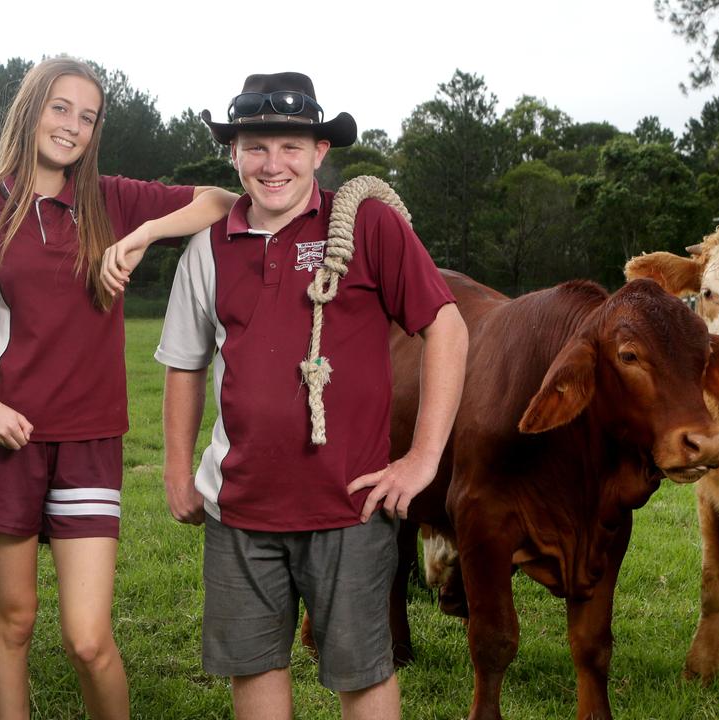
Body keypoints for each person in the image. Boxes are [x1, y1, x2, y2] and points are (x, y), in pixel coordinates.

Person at [0, 56, 237, 720]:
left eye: (87, 117)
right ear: (31, 108)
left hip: (91, 442)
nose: (71, 126)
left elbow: (222, 203)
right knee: (12, 622)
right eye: (60, 108)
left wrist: (145, 234)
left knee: (88, 640)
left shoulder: (111, 200)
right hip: (4, 439)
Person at [154, 72, 468, 720]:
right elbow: (184, 365)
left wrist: (424, 457)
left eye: (291, 147)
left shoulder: (368, 226)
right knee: (255, 668)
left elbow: (447, 328)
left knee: (363, 674)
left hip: (348, 507)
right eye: (257, 147)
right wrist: (175, 469)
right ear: (233, 153)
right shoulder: (209, 247)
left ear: (320, 152)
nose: (274, 165)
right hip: (238, 508)